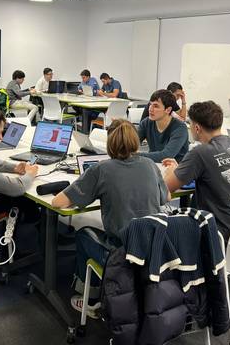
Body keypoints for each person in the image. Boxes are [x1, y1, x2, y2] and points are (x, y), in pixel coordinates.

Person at [52, 119, 170, 316]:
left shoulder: (101, 169)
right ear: (136, 141)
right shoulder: (150, 164)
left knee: (83, 234)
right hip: (154, 249)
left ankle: (91, 297)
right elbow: (166, 197)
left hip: (121, 252)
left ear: (109, 144)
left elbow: (58, 203)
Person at [163, 101, 230, 241]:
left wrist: (172, 170)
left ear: (196, 128)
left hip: (224, 234)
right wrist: (182, 168)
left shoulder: (200, 153)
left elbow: (165, 188)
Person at [137, 89, 189, 163]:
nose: (150, 109)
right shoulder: (146, 123)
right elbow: (131, 143)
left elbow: (166, 155)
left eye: (156, 106)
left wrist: (135, 155)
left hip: (175, 170)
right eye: (150, 104)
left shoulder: (180, 128)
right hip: (154, 165)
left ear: (168, 110)